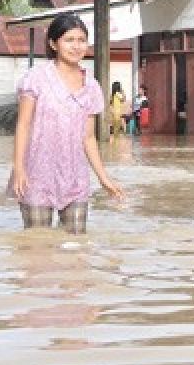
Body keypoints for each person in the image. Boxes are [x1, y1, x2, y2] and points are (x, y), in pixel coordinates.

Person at [10, 13, 124, 233]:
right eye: (69, 40)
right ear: (54, 43)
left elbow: (88, 138)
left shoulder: (91, 86)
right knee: (37, 244)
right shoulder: (36, 78)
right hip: (37, 173)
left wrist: (104, 178)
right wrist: (19, 169)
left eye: (81, 40)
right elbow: (23, 125)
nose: (76, 46)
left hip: (75, 176)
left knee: (77, 247)